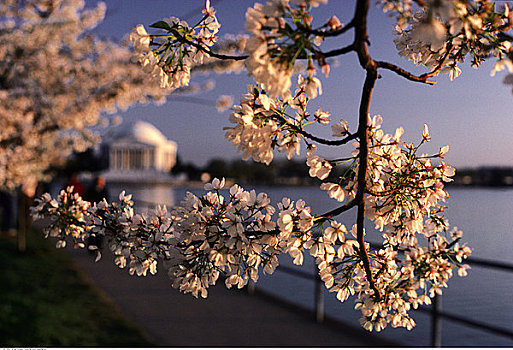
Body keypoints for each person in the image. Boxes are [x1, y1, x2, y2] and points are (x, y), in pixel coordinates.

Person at [84, 175, 109, 250]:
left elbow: (106, 201)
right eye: (101, 181)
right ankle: (91, 247)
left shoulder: (104, 190)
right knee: (92, 231)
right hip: (93, 214)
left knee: (100, 233)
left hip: (102, 214)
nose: (102, 183)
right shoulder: (91, 189)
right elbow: (87, 199)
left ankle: (98, 247)